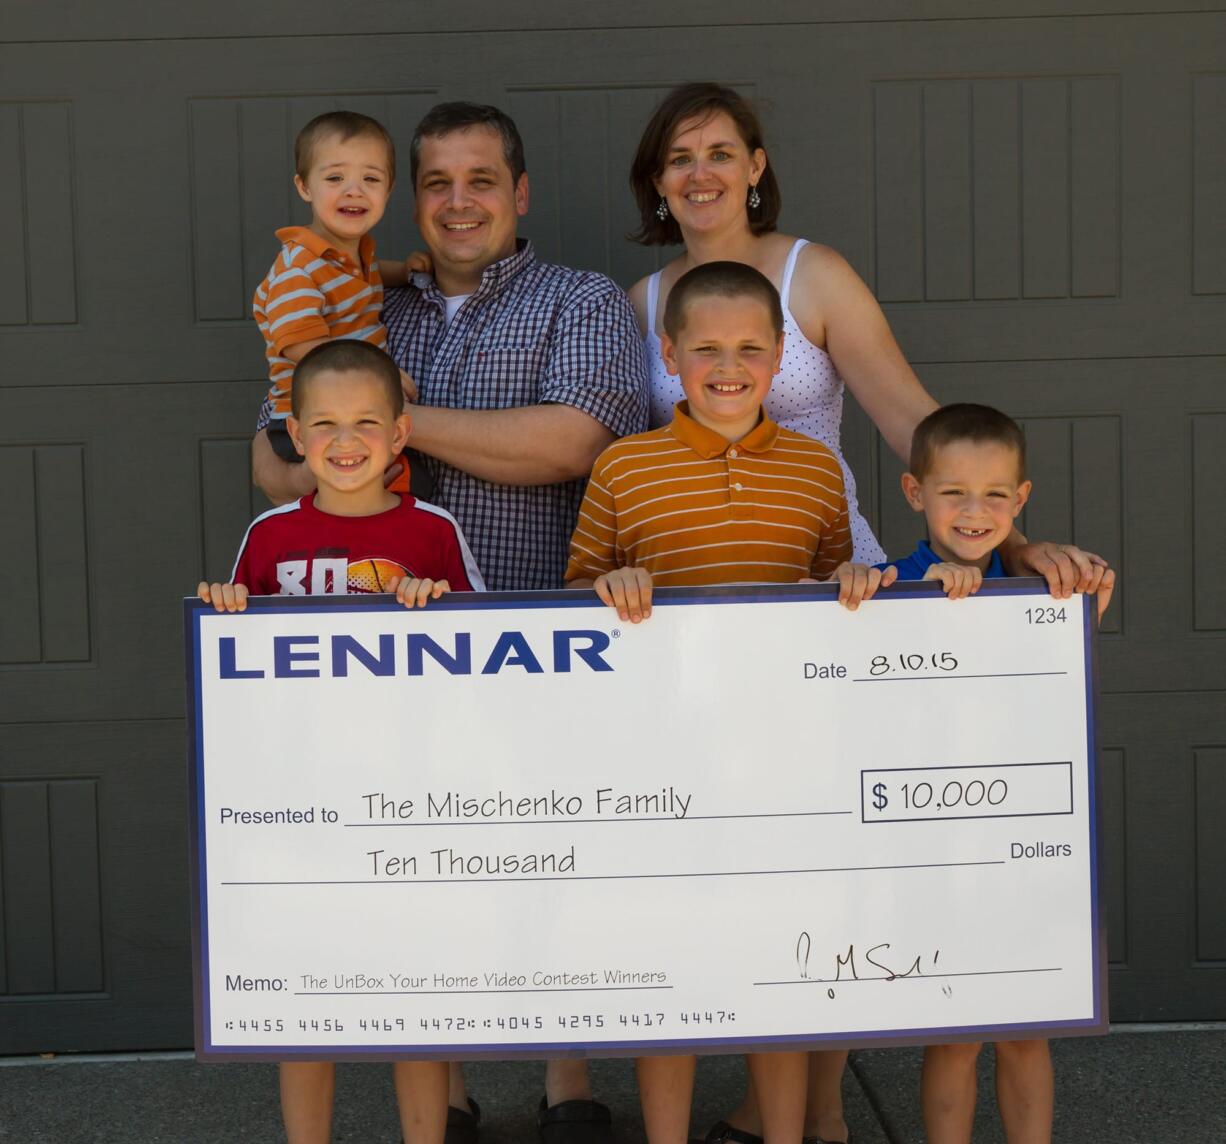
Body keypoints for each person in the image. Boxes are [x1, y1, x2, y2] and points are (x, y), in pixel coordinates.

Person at [626, 82, 1113, 1144]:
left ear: (756, 164)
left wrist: (1015, 542)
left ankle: (810, 1111)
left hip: (828, 593)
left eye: (718, 151)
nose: (698, 173)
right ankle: (774, 1095)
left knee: (820, 856)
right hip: (701, 623)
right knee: (733, 853)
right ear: (655, 182)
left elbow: (911, 421)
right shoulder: (640, 300)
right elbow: (635, 465)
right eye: (676, 158)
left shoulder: (815, 273)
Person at [258, 100, 647, 1144]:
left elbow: (568, 443)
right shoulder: (356, 300)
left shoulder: (583, 300)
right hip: (393, 654)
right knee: (421, 860)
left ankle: (569, 1080)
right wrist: (337, 424)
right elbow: (273, 453)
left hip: (544, 633)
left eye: (481, 179)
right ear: (409, 200)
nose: (459, 201)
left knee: (552, 853)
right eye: (436, 182)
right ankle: (453, 1087)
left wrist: (383, 419)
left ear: (518, 193)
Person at [565, 261, 892, 1144]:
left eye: (751, 347)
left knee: (780, 958)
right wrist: (610, 583)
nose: (727, 365)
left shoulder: (819, 470)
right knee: (667, 960)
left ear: (782, 355)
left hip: (785, 765)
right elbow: (575, 601)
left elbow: (833, 592)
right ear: (667, 355)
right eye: (704, 347)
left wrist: (850, 580)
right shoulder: (623, 468)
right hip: (662, 761)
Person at [201, 341, 481, 1143]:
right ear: (293, 432)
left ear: (400, 434)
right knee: (304, 991)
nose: (345, 439)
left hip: (408, 798)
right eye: (323, 423)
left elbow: (496, 662)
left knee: (413, 992)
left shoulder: (433, 532)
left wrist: (441, 607)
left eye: (365, 421)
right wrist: (226, 605)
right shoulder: (267, 536)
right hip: (301, 803)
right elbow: (233, 665)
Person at [872, 401, 1115, 1144]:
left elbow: (1078, 631)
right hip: (937, 848)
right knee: (955, 1029)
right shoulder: (893, 582)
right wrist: (903, 594)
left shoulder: (1048, 589)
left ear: (1022, 500)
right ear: (915, 493)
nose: (974, 513)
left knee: (1026, 1029)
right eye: (953, 494)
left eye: (994, 496)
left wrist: (1082, 585)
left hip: (1028, 842)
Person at [251, 110, 424, 499]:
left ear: (389, 190)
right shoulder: (299, 268)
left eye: (371, 179)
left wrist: (405, 271)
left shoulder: (354, 257)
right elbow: (300, 345)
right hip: (310, 421)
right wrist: (373, 375)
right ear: (304, 186)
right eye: (334, 178)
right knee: (395, 488)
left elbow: (373, 272)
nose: (354, 190)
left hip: (348, 412)